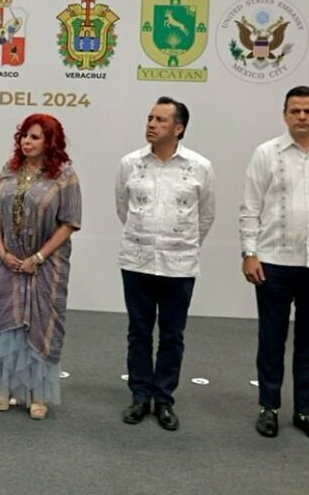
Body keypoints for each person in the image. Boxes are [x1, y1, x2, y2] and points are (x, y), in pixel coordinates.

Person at [115, 97, 215, 431]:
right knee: (138, 332)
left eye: (160, 119)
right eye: (149, 118)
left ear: (178, 128)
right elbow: (122, 208)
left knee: (173, 335)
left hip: (180, 265)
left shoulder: (200, 166)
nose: (151, 124)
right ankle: (140, 396)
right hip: (137, 261)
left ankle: (164, 398)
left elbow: (206, 215)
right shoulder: (130, 163)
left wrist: (180, 245)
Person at [241, 85, 309, 443]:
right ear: (284, 114)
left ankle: (305, 411)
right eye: (295, 111)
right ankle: (269, 408)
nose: (302, 117)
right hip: (274, 263)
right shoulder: (266, 153)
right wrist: (249, 252)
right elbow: (250, 207)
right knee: (272, 339)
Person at [0, 113, 81, 420]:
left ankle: (39, 393)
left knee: (40, 323)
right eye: (25, 135)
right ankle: (5, 388)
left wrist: (37, 258)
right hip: (9, 262)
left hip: (45, 265)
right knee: (8, 321)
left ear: (49, 141)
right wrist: (2, 252)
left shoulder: (64, 175)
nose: (27, 141)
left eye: (35, 137)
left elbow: (69, 223)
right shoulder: (10, 169)